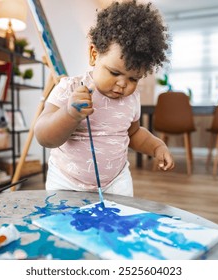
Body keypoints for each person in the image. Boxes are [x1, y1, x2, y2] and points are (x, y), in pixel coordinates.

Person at [34, 0, 174, 197]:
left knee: (118, 226)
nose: (123, 84)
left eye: (133, 78)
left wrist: (156, 146)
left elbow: (133, 134)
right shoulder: (70, 88)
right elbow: (43, 136)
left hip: (116, 182)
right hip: (66, 182)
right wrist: (69, 114)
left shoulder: (132, 97)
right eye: (114, 72)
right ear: (93, 54)